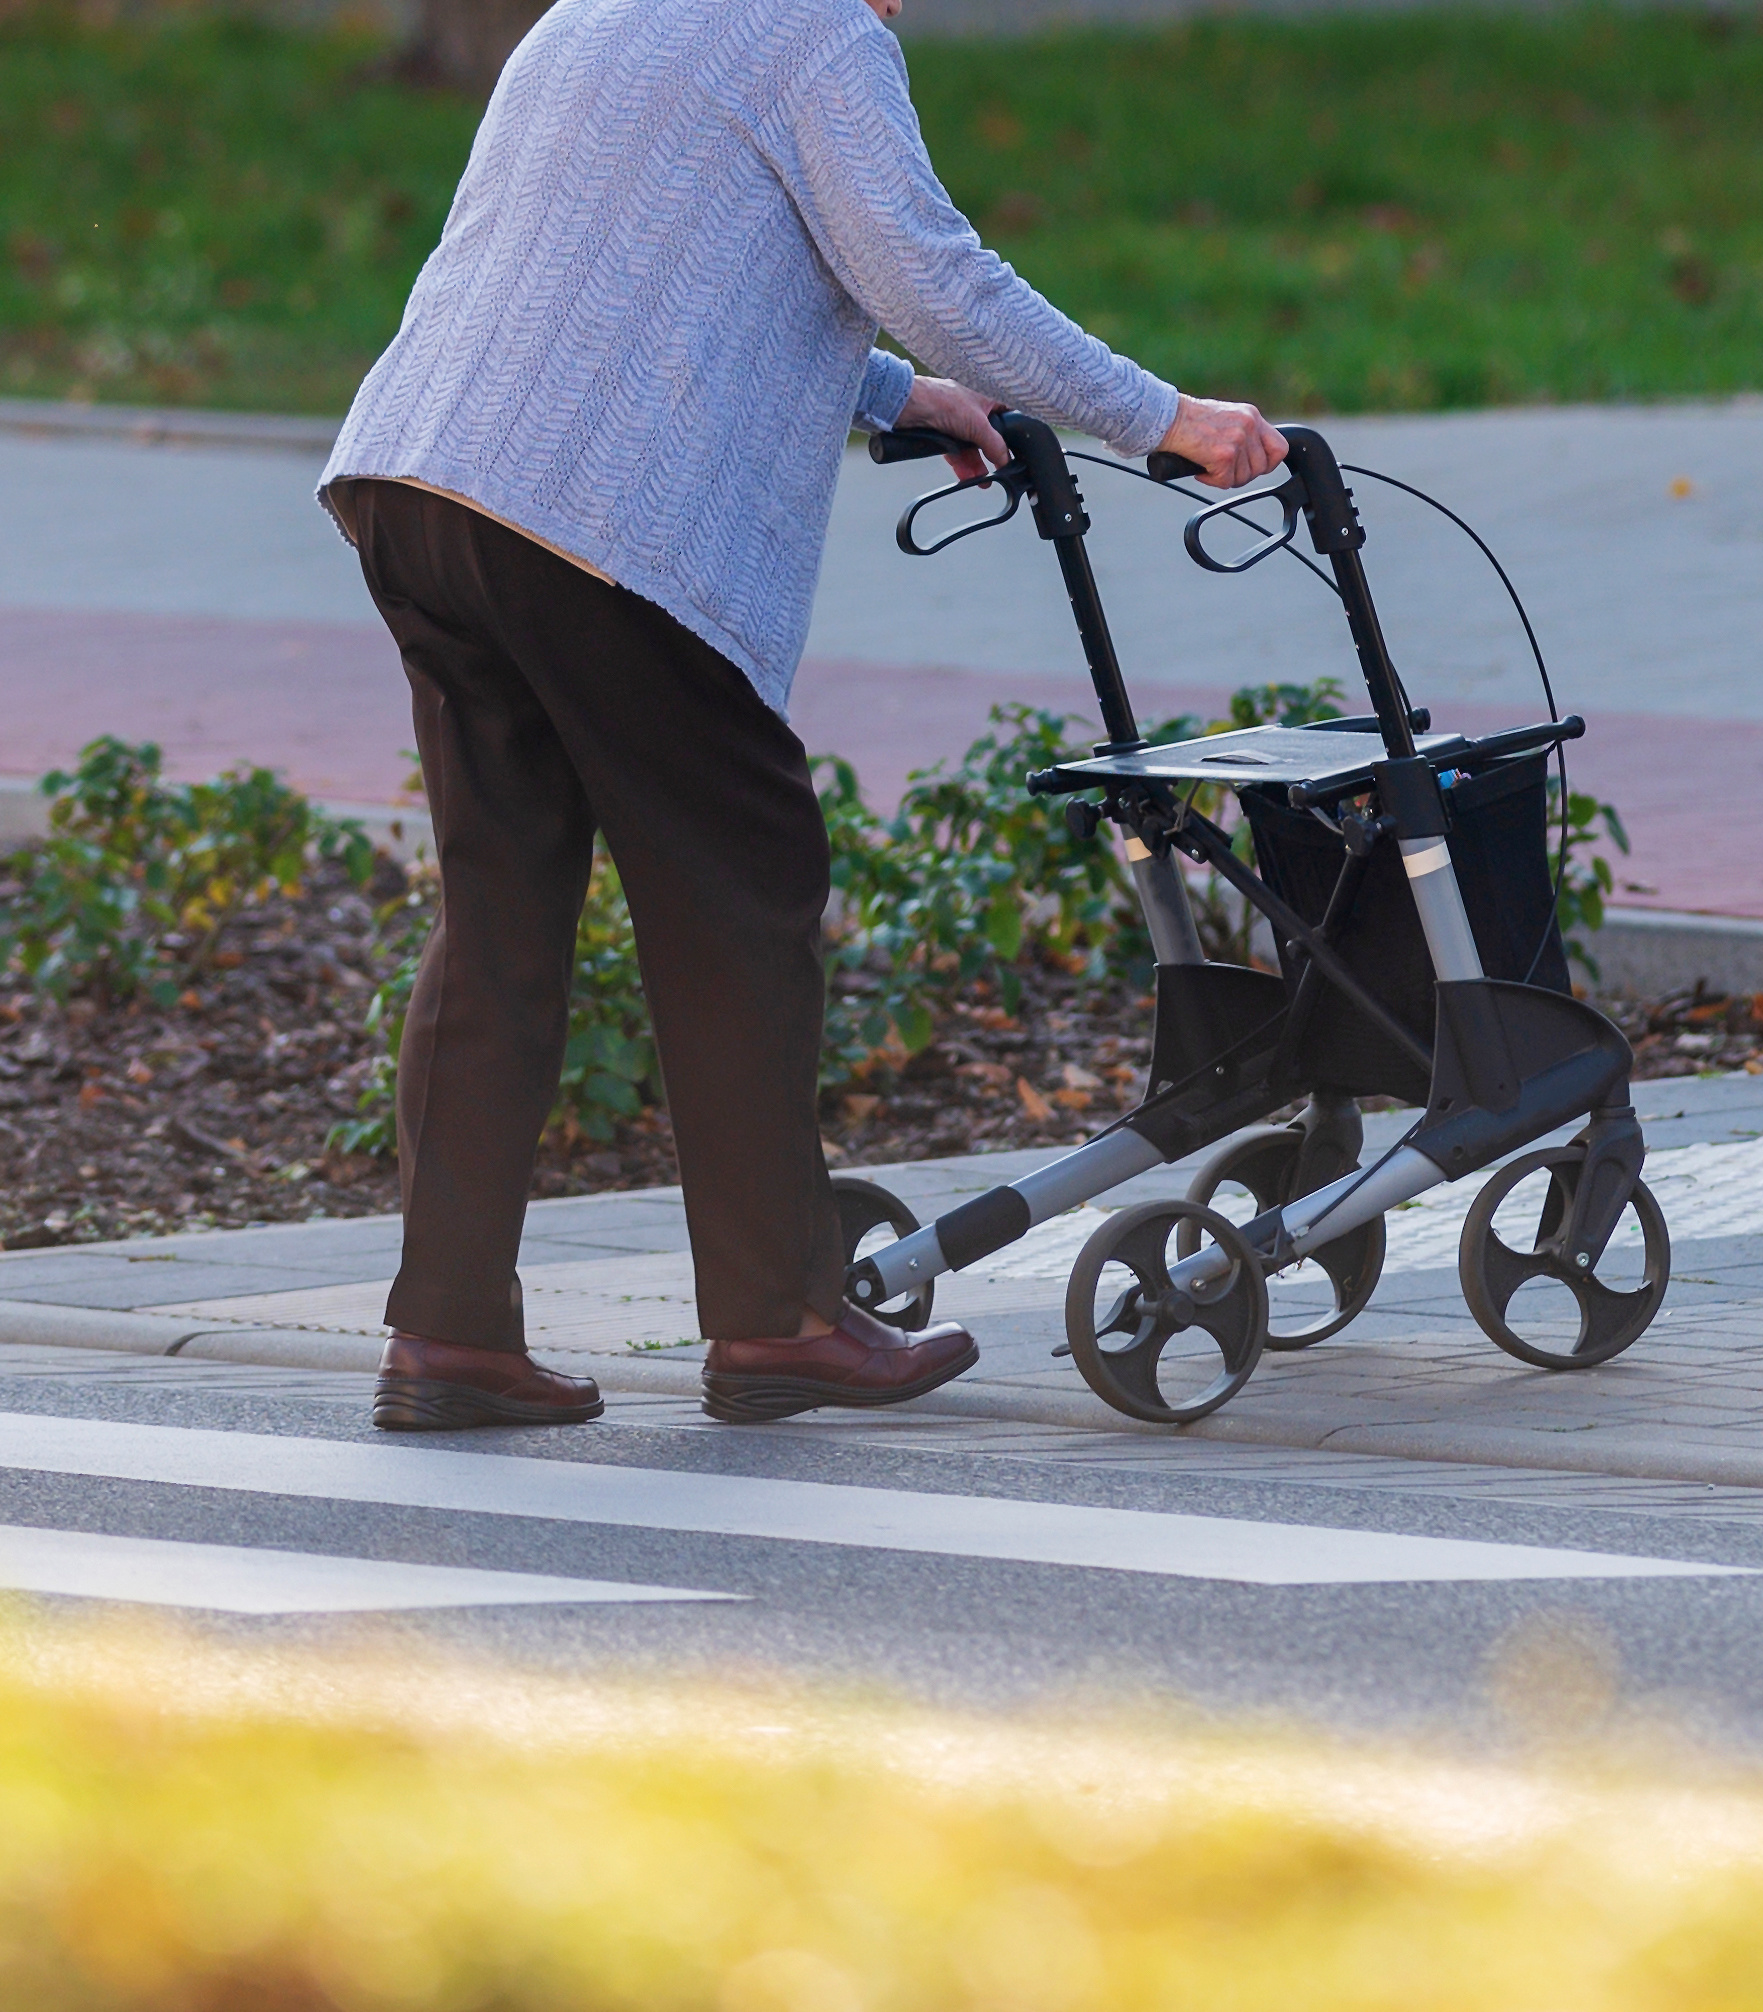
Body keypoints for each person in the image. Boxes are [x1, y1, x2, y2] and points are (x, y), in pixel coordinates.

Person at [317, 0, 1283, 1432]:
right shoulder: (813, 30)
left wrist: (898, 394)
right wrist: (1162, 417)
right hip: (589, 524)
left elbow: (649, 261)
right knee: (739, 887)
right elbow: (929, 269)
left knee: (501, 913)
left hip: (421, 480)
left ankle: (449, 1337)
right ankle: (776, 1322)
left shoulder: (601, 11)